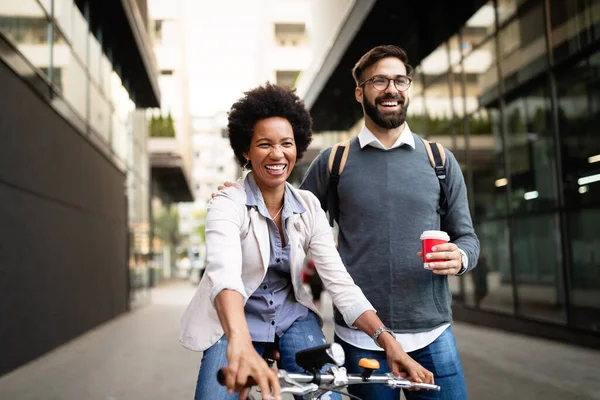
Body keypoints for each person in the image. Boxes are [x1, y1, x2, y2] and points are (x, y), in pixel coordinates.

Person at [180, 83, 434, 400]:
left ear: (297, 148)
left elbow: (339, 282)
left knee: (327, 395)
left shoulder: (310, 207)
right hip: (235, 322)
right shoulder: (227, 203)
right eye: (263, 144)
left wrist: (388, 342)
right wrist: (239, 342)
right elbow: (223, 273)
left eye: (286, 143)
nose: (277, 154)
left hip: (292, 319)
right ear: (246, 150)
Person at [299, 45, 480, 399]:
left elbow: (468, 237)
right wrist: (246, 190)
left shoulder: (440, 160)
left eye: (400, 80)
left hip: (433, 334)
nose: (392, 89)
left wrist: (460, 258)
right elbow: (291, 218)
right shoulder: (333, 162)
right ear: (360, 91)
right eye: (379, 80)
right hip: (361, 339)